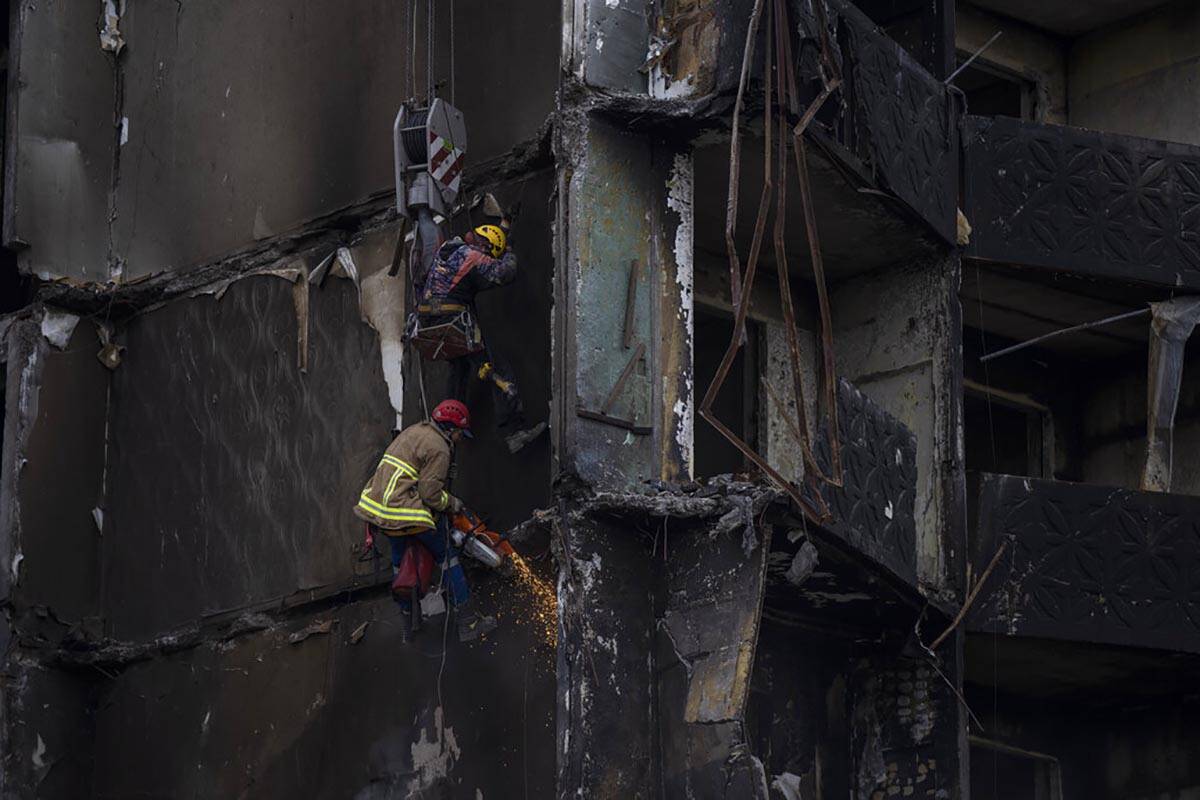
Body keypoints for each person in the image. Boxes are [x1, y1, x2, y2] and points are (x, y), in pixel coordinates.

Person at [353, 399, 497, 642]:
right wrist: (453, 504)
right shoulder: (440, 447)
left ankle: (408, 619)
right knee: (448, 559)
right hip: (405, 512)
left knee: (401, 563)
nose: (461, 439)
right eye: (461, 433)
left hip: (380, 512)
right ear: (452, 429)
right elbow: (430, 494)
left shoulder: (414, 432)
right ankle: (468, 622)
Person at [415, 215, 547, 454]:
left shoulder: (449, 248)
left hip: (428, 323)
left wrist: (505, 226)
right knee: (496, 368)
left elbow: (485, 246)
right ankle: (514, 431)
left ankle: (445, 429)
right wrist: (508, 248)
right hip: (454, 321)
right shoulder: (473, 257)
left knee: (459, 369)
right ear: (484, 247)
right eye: (489, 252)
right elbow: (505, 272)